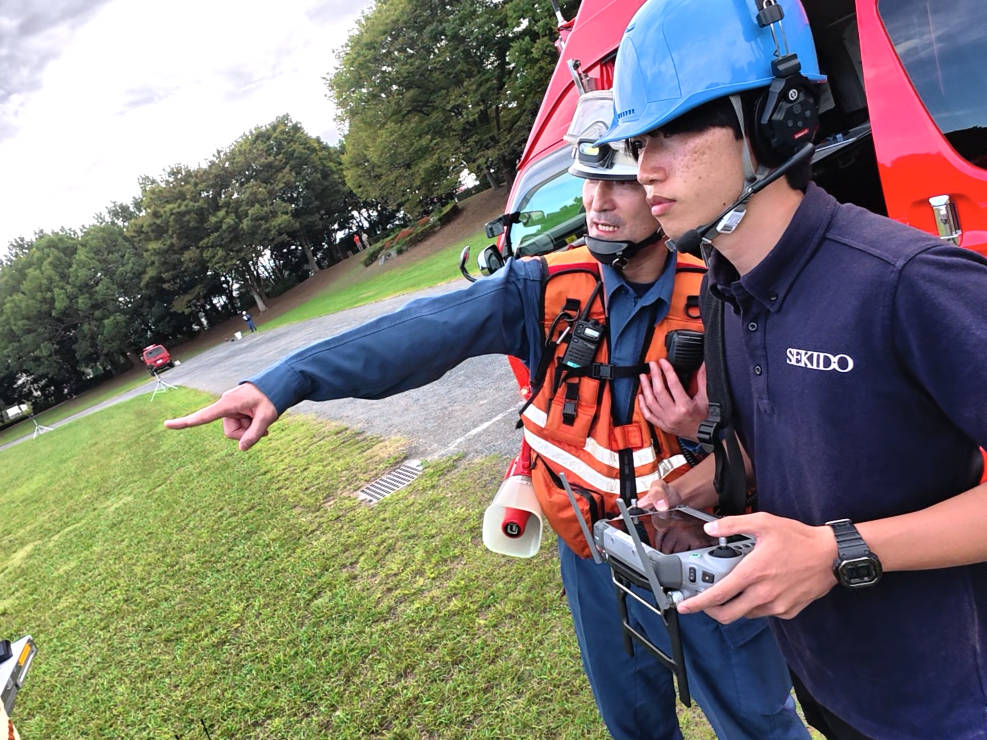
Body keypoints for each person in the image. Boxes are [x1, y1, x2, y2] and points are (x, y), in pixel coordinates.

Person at [164, 91, 808, 739]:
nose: (596, 203)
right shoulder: (543, 288)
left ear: (656, 185)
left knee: (758, 721)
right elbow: (418, 334)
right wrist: (284, 382)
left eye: (619, 185)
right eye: (589, 182)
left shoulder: (724, 289)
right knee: (635, 726)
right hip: (595, 561)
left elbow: (797, 432)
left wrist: (706, 425)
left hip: (704, 551)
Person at [603, 0, 987, 737]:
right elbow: (810, 437)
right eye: (638, 140)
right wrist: (701, 483)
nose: (645, 168)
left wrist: (836, 552)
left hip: (946, 705)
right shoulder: (722, 287)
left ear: (779, 117)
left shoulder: (905, 281)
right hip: (828, 686)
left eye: (677, 130)